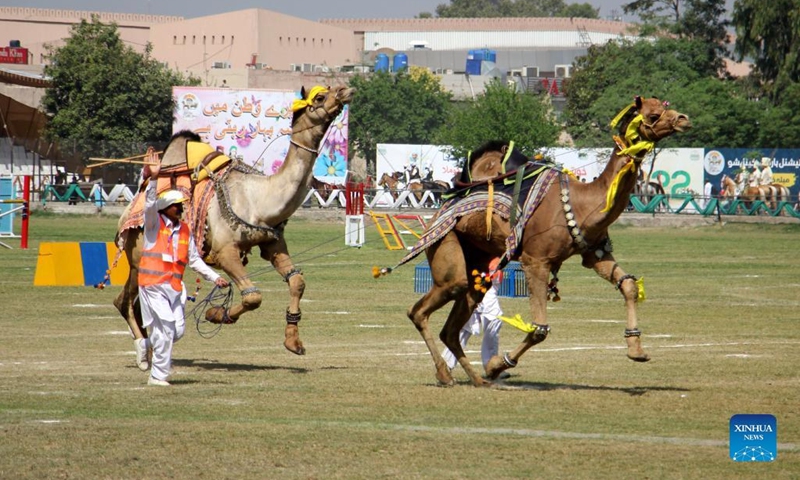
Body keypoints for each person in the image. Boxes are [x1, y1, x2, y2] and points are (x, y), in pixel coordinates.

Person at [135, 157, 229, 386]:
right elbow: (149, 204)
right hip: (152, 285)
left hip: (175, 289)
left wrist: (215, 277)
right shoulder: (153, 224)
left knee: (175, 332)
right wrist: (155, 178)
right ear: (166, 208)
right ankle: (158, 377)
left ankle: (147, 344)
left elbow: (194, 260)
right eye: (178, 205)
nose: (182, 208)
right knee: (166, 328)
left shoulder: (185, 230)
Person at [442, 266, 508, 380]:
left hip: (484, 284)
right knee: (491, 321)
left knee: (468, 328)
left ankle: (491, 366)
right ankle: (446, 366)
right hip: (480, 284)